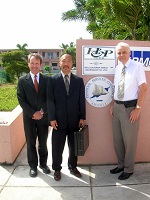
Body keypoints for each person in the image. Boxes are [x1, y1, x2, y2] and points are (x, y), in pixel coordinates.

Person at [109, 42, 147, 180]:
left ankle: (129, 168)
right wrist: (113, 104)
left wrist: (138, 109)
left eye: (124, 52)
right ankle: (120, 165)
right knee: (117, 140)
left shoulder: (137, 66)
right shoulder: (118, 68)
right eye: (119, 53)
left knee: (129, 141)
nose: (121, 55)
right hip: (117, 108)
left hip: (130, 108)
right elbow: (117, 88)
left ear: (129, 53)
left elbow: (143, 88)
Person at [47, 53, 86, 181]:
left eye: (69, 61)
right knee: (57, 146)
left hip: (75, 120)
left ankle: (73, 166)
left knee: (73, 146)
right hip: (58, 121)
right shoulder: (52, 80)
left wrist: (82, 117)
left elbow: (81, 100)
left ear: (72, 64)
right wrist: (51, 118)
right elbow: (50, 101)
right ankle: (57, 169)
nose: (66, 63)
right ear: (59, 63)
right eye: (64, 61)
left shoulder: (79, 81)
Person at [17, 53, 51, 177]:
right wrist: (33, 113)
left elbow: (50, 98)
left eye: (37, 63)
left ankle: (43, 164)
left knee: (43, 143)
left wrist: (41, 112)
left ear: (40, 65)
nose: (34, 66)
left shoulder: (47, 80)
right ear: (28, 64)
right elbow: (21, 99)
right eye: (32, 63)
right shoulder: (22, 80)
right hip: (29, 118)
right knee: (30, 143)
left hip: (43, 117)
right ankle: (33, 166)